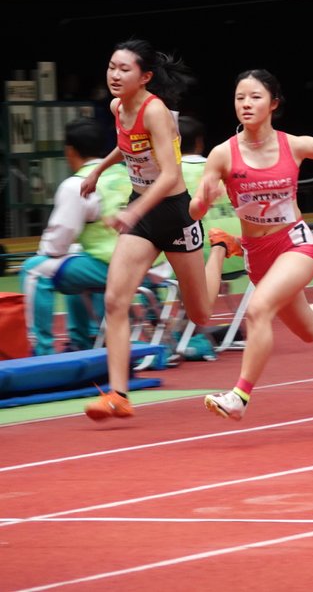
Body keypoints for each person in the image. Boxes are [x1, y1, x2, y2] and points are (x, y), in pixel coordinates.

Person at [191, 69, 313, 421]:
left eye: (255, 97)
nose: (246, 104)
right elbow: (196, 210)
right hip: (258, 256)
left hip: (294, 245)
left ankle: (239, 396)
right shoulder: (222, 154)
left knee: (258, 309)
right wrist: (203, 200)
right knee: (308, 329)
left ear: (273, 103)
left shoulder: (293, 145)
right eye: (240, 98)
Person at [80, 40, 217, 421]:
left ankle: (221, 248)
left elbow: (170, 174)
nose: (114, 75)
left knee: (202, 313)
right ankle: (118, 395)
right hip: (141, 216)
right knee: (115, 300)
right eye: (112, 66)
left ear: (145, 77)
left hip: (173, 213)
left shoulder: (155, 111)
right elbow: (126, 146)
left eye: (124, 69)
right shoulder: (117, 107)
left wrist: (134, 210)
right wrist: (98, 170)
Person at [20, 118, 130, 355]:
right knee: (73, 258)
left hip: (113, 266)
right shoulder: (126, 173)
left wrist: (45, 253)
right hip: (144, 263)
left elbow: (57, 243)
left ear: (69, 151)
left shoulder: (78, 184)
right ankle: (85, 337)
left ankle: (41, 351)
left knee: (35, 269)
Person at [178, 116, 242, 276]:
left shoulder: (167, 177)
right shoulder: (227, 169)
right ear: (199, 143)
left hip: (197, 265)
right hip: (242, 257)